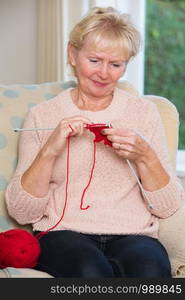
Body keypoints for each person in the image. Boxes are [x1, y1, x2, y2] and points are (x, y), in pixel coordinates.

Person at [5, 6, 185, 278]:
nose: (104, 73)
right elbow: (21, 211)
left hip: (132, 233)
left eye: (116, 65)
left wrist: (145, 156)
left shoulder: (144, 113)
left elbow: (168, 206)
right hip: (64, 232)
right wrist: (50, 150)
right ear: (72, 54)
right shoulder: (42, 115)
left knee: (150, 271)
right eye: (94, 60)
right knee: (90, 272)